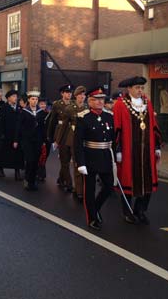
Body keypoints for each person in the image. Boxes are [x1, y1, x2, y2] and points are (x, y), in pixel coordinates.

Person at [113, 76, 161, 225]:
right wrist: (118, 150)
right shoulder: (120, 105)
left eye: (142, 88)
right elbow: (117, 128)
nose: (140, 90)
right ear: (129, 89)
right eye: (137, 88)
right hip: (129, 151)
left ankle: (140, 210)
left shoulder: (148, 103)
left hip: (147, 150)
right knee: (128, 180)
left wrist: (157, 146)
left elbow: (153, 125)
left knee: (147, 180)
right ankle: (127, 211)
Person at [75, 86, 116, 230]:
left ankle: (96, 208)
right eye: (96, 100)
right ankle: (92, 217)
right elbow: (77, 143)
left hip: (105, 156)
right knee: (90, 190)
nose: (100, 102)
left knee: (109, 186)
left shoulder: (109, 116)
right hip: (90, 156)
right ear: (89, 101)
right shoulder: (83, 117)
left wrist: (117, 153)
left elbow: (114, 138)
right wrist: (80, 163)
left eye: (102, 99)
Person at [59, 85, 88, 201]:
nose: (82, 97)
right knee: (72, 163)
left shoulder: (87, 108)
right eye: (80, 95)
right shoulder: (70, 109)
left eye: (84, 95)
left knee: (79, 165)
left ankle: (79, 190)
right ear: (76, 96)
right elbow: (63, 126)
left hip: (84, 139)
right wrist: (58, 141)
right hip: (72, 139)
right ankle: (73, 187)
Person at [15, 90, 47, 191]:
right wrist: (16, 140)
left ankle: (32, 181)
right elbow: (19, 127)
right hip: (27, 140)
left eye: (36, 99)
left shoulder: (41, 113)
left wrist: (44, 140)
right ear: (28, 100)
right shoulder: (24, 112)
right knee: (30, 160)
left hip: (37, 141)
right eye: (32, 99)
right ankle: (27, 180)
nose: (34, 101)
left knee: (36, 161)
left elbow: (43, 128)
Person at [47, 84, 74, 191]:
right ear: (62, 93)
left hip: (71, 134)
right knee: (64, 160)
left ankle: (61, 178)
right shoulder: (57, 104)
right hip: (61, 134)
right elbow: (52, 121)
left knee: (67, 159)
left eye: (70, 92)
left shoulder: (73, 104)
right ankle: (69, 183)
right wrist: (50, 136)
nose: (69, 94)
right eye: (67, 92)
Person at [0, 89, 24, 180]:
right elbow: (0, 122)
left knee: (17, 154)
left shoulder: (19, 108)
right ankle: (1, 169)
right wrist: (1, 134)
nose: (15, 98)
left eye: (16, 96)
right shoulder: (4, 107)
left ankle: (17, 172)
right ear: (8, 98)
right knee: (3, 153)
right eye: (13, 96)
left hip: (16, 135)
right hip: (6, 134)